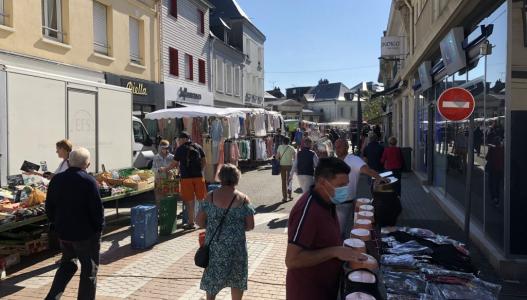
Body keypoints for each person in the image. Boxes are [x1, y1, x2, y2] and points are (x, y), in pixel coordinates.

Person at [286, 157, 366, 300]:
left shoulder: (328, 200)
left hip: (325, 287)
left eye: (347, 184)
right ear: (323, 182)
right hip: (307, 292)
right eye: (341, 185)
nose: (345, 189)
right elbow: (292, 260)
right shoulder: (307, 210)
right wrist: (334, 251)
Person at [45, 147, 104, 300]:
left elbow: (49, 207)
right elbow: (97, 210)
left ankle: (52, 297)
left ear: (69, 162)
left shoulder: (56, 179)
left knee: (67, 264)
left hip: (64, 233)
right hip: (85, 235)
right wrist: (98, 229)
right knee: (89, 270)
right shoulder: (89, 181)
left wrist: (56, 224)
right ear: (88, 164)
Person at [197, 164, 255, 300]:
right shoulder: (244, 199)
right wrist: (236, 228)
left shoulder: (210, 197)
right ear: (236, 178)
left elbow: (198, 221)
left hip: (215, 247)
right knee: (237, 278)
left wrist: (211, 225)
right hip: (236, 248)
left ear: (220, 178)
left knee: (213, 278)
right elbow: (250, 225)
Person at [335, 138, 384, 237]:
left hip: (344, 202)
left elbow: (366, 170)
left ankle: (340, 248)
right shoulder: (335, 161)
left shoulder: (353, 159)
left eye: (340, 147)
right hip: (335, 201)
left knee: (339, 232)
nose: (337, 149)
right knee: (337, 229)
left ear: (347, 147)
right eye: (336, 147)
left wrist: (379, 177)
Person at [163, 132, 207, 230]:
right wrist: (200, 170)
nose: (178, 142)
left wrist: (165, 169)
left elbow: (174, 164)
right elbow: (204, 161)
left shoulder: (180, 149)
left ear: (183, 139)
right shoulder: (198, 147)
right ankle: (204, 221)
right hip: (198, 177)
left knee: (190, 201)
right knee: (202, 200)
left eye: (178, 140)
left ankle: (191, 223)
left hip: (186, 178)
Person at [152, 139, 175, 205]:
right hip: (159, 181)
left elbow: (176, 169)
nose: (165, 150)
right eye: (163, 148)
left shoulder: (172, 157)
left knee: (168, 199)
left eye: (166, 148)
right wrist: (159, 169)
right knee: (159, 199)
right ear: (160, 148)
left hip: (169, 181)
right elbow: (152, 169)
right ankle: (159, 212)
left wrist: (172, 171)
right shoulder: (156, 157)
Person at [277, 137, 296, 202]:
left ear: (283, 141)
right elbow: (294, 158)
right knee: (289, 180)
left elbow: (277, 156)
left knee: (283, 181)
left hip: (282, 165)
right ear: (289, 141)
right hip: (290, 165)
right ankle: (290, 195)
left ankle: (284, 197)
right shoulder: (292, 148)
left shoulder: (280, 147)